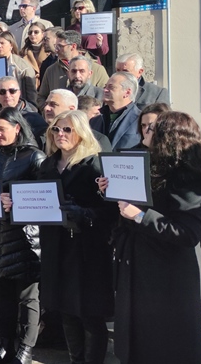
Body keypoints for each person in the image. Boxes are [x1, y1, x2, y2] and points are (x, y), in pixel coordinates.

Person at [107, 111, 201, 364]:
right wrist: (110, 189)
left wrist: (140, 216)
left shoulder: (188, 177)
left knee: (164, 346)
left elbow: (188, 233)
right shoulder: (155, 166)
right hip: (139, 268)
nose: (145, 131)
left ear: (166, 137)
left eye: (152, 129)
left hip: (166, 279)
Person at [38, 110, 116, 364]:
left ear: (81, 133)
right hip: (56, 247)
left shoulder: (95, 165)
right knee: (66, 310)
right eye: (56, 129)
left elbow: (112, 211)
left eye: (67, 129)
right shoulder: (47, 165)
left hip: (87, 251)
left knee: (90, 314)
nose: (60, 134)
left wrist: (84, 213)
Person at [0, 107, 47, 364]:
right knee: (5, 296)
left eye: (3, 129)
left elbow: (44, 197)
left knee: (29, 297)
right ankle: (5, 345)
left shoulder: (35, 157)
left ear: (17, 127)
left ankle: (26, 349)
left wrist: (17, 202)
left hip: (25, 237)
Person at [37, 30, 109, 108]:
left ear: (73, 46)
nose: (56, 50)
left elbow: (107, 96)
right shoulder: (51, 70)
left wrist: (95, 112)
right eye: (56, 46)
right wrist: (50, 110)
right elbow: (41, 97)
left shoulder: (98, 69)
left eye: (60, 46)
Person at [89, 71, 142, 151]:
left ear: (127, 92)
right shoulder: (94, 121)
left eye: (111, 87)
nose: (105, 90)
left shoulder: (140, 121)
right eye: (105, 87)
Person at [0, 76, 48, 144]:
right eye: (2, 92)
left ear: (19, 93)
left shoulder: (34, 119)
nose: (7, 95)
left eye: (12, 91)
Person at [0, 32, 38, 107]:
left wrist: (31, 108)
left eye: (2, 43)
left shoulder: (22, 66)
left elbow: (31, 92)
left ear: (11, 45)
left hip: (17, 106)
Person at [66, 0, 109, 66]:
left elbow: (104, 51)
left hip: (92, 62)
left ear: (88, 9)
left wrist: (99, 44)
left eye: (80, 8)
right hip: (75, 62)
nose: (77, 11)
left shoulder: (98, 26)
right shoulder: (71, 28)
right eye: (75, 9)